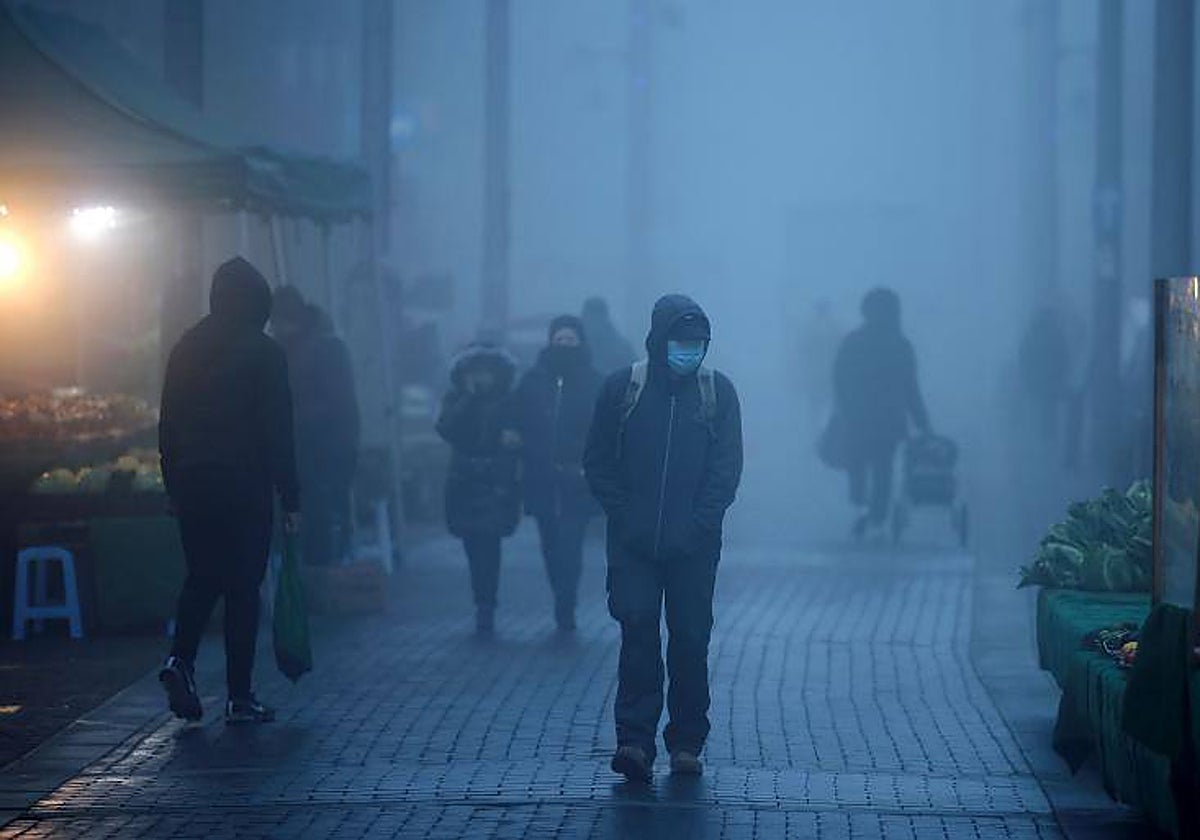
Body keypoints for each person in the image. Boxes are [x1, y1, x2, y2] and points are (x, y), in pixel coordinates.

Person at [584, 294, 743, 782]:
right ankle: (634, 742)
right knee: (637, 636)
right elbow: (597, 460)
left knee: (691, 641)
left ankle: (687, 742)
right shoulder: (623, 388)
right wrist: (626, 516)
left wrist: (699, 524)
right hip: (634, 545)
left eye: (698, 344)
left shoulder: (717, 393)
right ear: (658, 339)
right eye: (681, 342)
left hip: (693, 548)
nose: (689, 351)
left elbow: (726, 469)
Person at [157, 257, 299, 725]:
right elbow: (279, 430)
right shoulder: (265, 353)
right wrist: (290, 495)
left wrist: (173, 483)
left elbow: (168, 424)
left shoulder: (185, 348)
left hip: (194, 482)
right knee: (243, 587)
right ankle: (240, 696)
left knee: (201, 576)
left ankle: (180, 660)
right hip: (244, 483)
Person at [512, 315, 603, 633]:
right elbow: (517, 419)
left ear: (580, 342)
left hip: (576, 479)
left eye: (570, 340)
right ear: (551, 341)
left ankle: (566, 603)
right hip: (541, 478)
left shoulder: (594, 381)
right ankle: (560, 594)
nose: (564, 345)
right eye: (559, 339)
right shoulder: (533, 380)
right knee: (550, 544)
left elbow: (602, 426)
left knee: (570, 544)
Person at [436, 343, 522, 636]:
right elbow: (446, 428)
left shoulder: (509, 401)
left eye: (487, 371)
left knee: (490, 544)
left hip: (495, 482)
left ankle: (487, 605)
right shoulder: (456, 398)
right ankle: (482, 601)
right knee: (473, 545)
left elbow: (519, 435)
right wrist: (468, 399)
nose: (482, 377)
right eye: (476, 372)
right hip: (464, 482)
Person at [271, 290, 360, 567]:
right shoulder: (295, 347)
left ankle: (323, 574)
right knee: (313, 510)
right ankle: (314, 573)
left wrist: (288, 417)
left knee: (320, 511)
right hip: (310, 446)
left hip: (324, 447)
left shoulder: (324, 348)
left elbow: (336, 403)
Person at [832, 287, 929, 539]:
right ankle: (877, 517)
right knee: (883, 468)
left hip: (858, 419)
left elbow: (839, 379)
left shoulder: (853, 342)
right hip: (889, 421)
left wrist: (844, 409)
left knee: (857, 466)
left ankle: (863, 509)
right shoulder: (901, 344)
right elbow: (911, 388)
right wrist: (923, 424)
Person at [582, 297, 637, 376]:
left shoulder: (620, 346)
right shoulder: (576, 345)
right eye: (591, 315)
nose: (594, 320)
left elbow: (633, 371)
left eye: (597, 315)